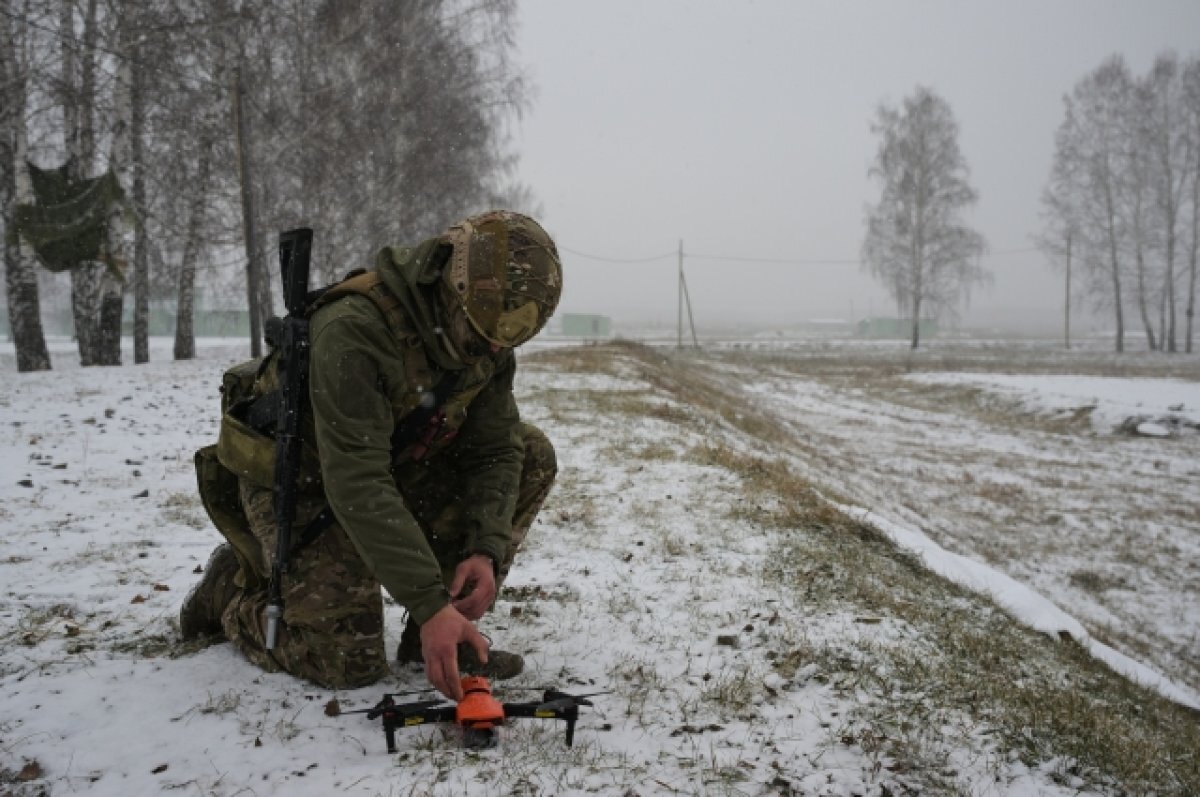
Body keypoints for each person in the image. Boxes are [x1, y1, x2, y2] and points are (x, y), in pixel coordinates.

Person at [181, 210, 562, 701]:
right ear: (453, 287)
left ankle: (436, 637)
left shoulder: (488, 338)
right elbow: (356, 480)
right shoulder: (354, 330)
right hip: (302, 482)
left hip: (389, 467)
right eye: (483, 331)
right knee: (345, 662)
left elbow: (496, 448)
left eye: (508, 337)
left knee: (532, 452)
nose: (492, 348)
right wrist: (427, 600)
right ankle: (227, 595)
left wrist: (484, 549)